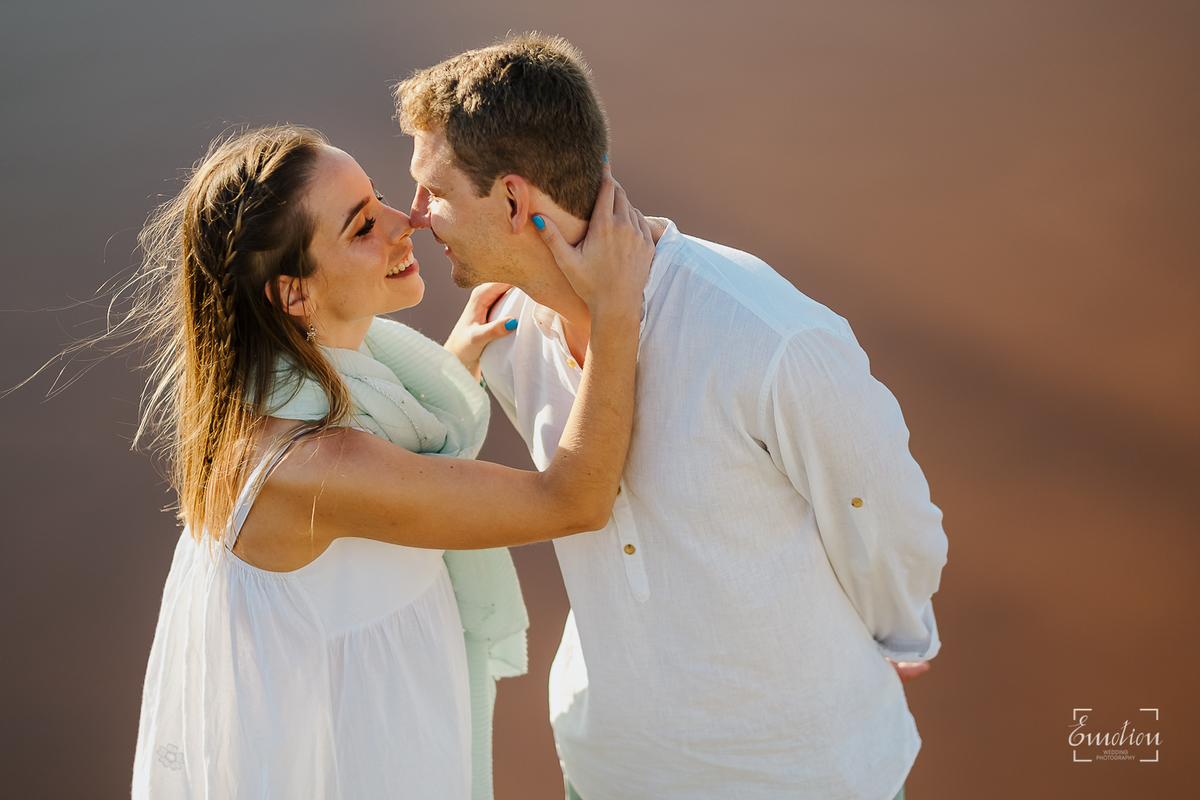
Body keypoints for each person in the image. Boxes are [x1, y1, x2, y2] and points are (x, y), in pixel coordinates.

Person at [394, 34, 949, 800]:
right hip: (608, 769)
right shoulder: (504, 343)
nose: (418, 215)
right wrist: (446, 378)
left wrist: (895, 635)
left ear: (516, 199)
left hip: (800, 773)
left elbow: (890, 519)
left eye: (434, 190)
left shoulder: (766, 334)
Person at [127, 124, 655, 799]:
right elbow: (574, 501)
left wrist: (447, 371)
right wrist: (617, 304)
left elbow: (385, 464)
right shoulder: (311, 467)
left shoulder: (292, 387)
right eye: (360, 227)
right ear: (294, 295)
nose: (407, 222)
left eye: (377, 197)